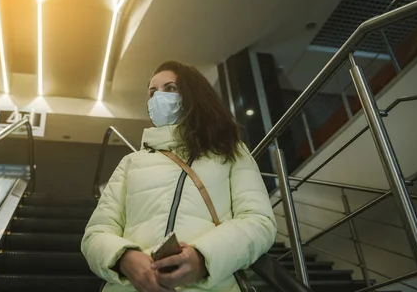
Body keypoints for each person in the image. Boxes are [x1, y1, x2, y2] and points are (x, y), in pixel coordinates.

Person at [81, 61, 276, 292]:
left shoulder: (230, 151)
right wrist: (124, 258)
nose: (158, 97)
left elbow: (258, 221)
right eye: (152, 92)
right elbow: (96, 233)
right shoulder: (131, 163)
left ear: (194, 95)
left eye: (170, 88)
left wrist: (203, 258)